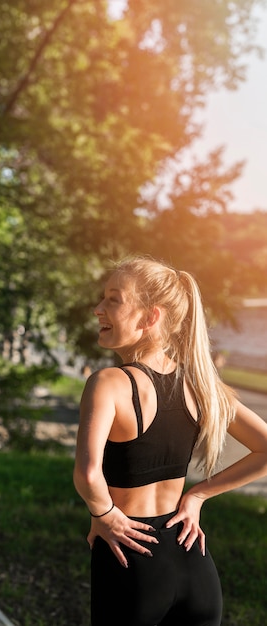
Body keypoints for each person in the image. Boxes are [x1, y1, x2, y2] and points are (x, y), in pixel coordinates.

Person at [73, 255, 267, 626]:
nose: (98, 309)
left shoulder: (109, 383)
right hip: (195, 564)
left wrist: (104, 514)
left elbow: (88, 474)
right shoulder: (201, 386)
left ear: (150, 318)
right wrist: (197, 496)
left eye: (113, 299)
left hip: (131, 561)